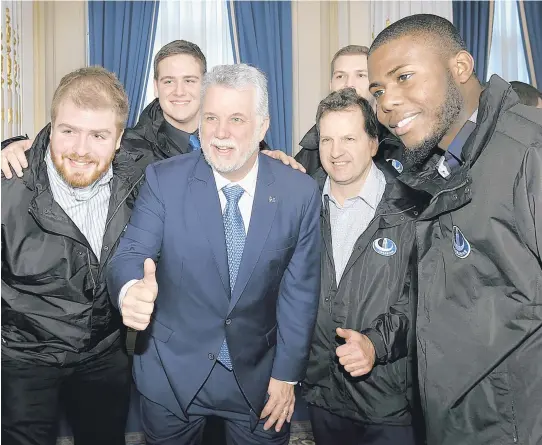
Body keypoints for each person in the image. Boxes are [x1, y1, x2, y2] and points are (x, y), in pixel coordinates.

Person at [106, 64, 321, 445]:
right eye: (211, 118)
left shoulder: (298, 193)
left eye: (237, 119)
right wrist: (129, 291)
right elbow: (131, 253)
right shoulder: (163, 180)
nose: (221, 133)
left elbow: (299, 294)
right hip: (172, 374)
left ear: (262, 126)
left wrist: (286, 376)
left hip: (260, 377)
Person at [367, 13, 542, 445]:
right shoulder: (441, 167)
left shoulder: (529, 154)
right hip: (458, 421)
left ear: (460, 68)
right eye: (378, 91)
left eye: (403, 77)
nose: (387, 102)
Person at [1, 67, 144, 445]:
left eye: (98, 135)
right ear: (50, 128)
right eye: (68, 131)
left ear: (118, 140)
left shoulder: (141, 178)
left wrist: (274, 159)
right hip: (25, 354)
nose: (81, 150)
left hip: (104, 350)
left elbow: (204, 164)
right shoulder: (7, 187)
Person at [303, 88, 423, 445]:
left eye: (348, 138)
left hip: (387, 399)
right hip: (320, 392)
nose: (336, 152)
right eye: (327, 139)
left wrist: (375, 344)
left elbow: (421, 301)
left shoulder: (412, 211)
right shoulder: (300, 205)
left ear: (373, 143)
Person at [0, 40, 301, 179]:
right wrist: (15, 147)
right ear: (156, 86)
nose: (179, 91)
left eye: (189, 80)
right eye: (169, 81)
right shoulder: (128, 145)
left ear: (205, 84)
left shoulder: (238, 138)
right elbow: (75, 142)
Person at [295, 45, 404, 176]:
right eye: (340, 76)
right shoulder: (312, 146)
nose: (349, 84)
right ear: (330, 85)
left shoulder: (403, 138)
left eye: (361, 75)